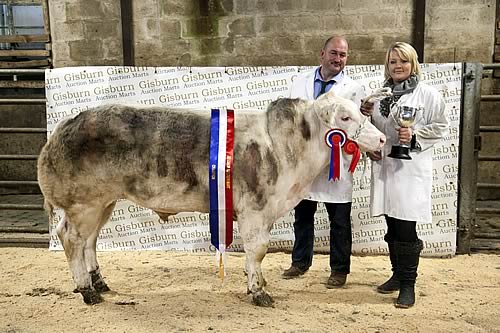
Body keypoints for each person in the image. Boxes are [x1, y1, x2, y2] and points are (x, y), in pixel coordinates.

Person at [360, 42, 449, 308]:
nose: (398, 66)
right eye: (392, 62)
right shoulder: (379, 95)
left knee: (406, 228)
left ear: (413, 64)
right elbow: (372, 129)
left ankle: (409, 284)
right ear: (387, 65)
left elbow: (441, 126)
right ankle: (397, 276)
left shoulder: (428, 94)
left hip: (411, 170)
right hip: (386, 168)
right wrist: (369, 148)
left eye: (403, 61)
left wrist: (415, 136)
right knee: (391, 226)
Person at [282, 36, 365, 288]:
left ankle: (339, 270)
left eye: (343, 55)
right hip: (305, 163)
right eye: (334, 53)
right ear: (322, 54)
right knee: (302, 215)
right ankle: (300, 262)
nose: (338, 59)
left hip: (335, 162)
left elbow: (358, 125)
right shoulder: (300, 82)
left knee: (339, 218)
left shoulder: (354, 88)